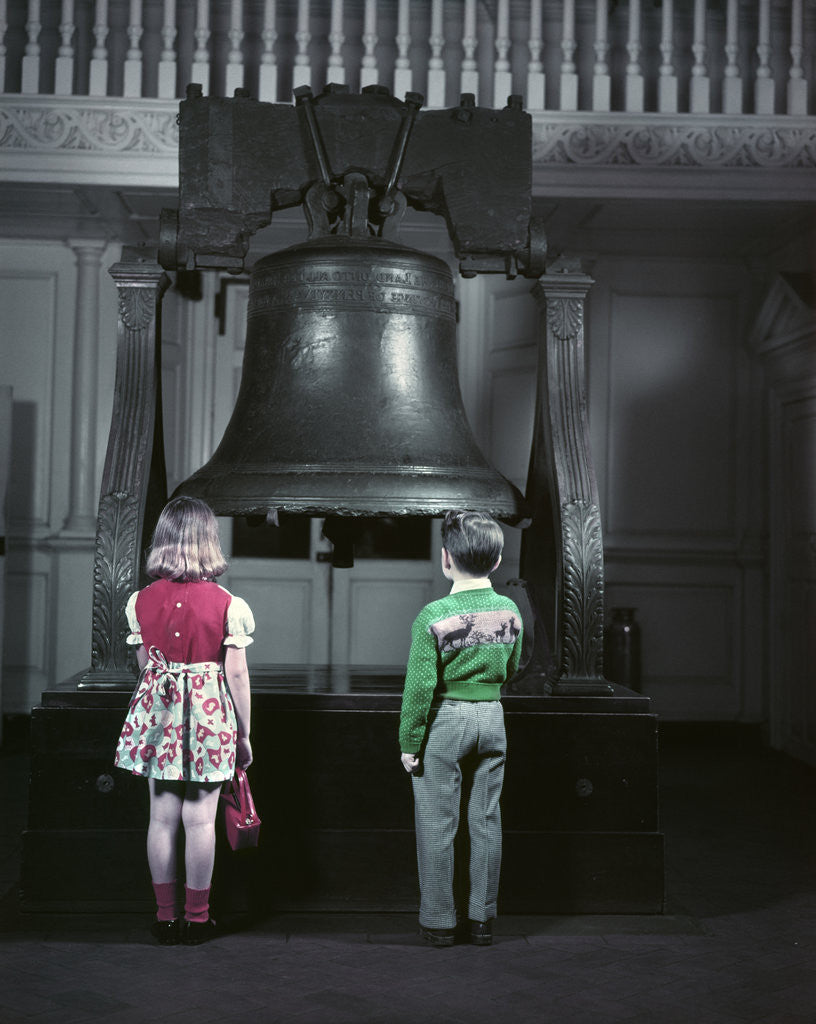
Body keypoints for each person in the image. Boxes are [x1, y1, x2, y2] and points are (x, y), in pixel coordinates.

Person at [114, 496, 254, 946]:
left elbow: (145, 664)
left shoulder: (140, 601)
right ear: (208, 541)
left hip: (159, 716)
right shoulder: (229, 604)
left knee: (161, 819)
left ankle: (164, 917)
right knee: (200, 821)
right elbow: (235, 673)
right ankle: (197, 918)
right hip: (210, 719)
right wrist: (244, 734)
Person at [399, 510, 523, 948]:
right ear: (497, 561)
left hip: (446, 720)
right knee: (486, 820)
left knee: (437, 822)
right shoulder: (509, 611)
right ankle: (482, 919)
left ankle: (438, 922)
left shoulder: (434, 614)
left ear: (445, 558)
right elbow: (511, 668)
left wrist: (410, 742)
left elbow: (419, 687)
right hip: (492, 717)